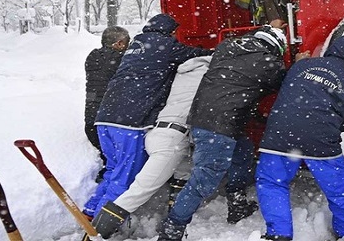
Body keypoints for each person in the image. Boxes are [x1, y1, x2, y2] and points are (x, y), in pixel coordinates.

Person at [157, 20, 290, 241]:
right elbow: (286, 83)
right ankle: (172, 228)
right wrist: (298, 62)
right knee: (205, 179)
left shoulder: (227, 48)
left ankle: (236, 202)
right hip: (219, 126)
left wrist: (266, 28)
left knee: (244, 151)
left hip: (207, 117)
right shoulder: (269, 63)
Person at [82, 14, 213, 220]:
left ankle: (90, 211)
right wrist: (219, 51)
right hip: (129, 123)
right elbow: (197, 54)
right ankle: (99, 224)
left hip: (104, 118)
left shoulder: (136, 44)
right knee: (125, 177)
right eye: (172, 33)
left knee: (113, 170)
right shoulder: (165, 44)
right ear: (168, 32)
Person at [255, 36, 344, 241]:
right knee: (338, 189)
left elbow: (286, 90)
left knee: (272, 182)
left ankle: (279, 233)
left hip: (279, 135)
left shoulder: (301, 66)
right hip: (320, 140)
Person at [89, 56, 211, 239]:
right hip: (172, 140)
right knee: (138, 191)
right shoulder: (209, 75)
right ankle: (95, 234)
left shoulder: (182, 72)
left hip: (158, 132)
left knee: (183, 171)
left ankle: (172, 223)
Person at [84, 26, 130, 183]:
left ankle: (108, 176)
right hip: (110, 117)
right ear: (118, 44)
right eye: (126, 42)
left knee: (109, 155)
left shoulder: (92, 56)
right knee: (121, 156)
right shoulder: (121, 59)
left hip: (91, 119)